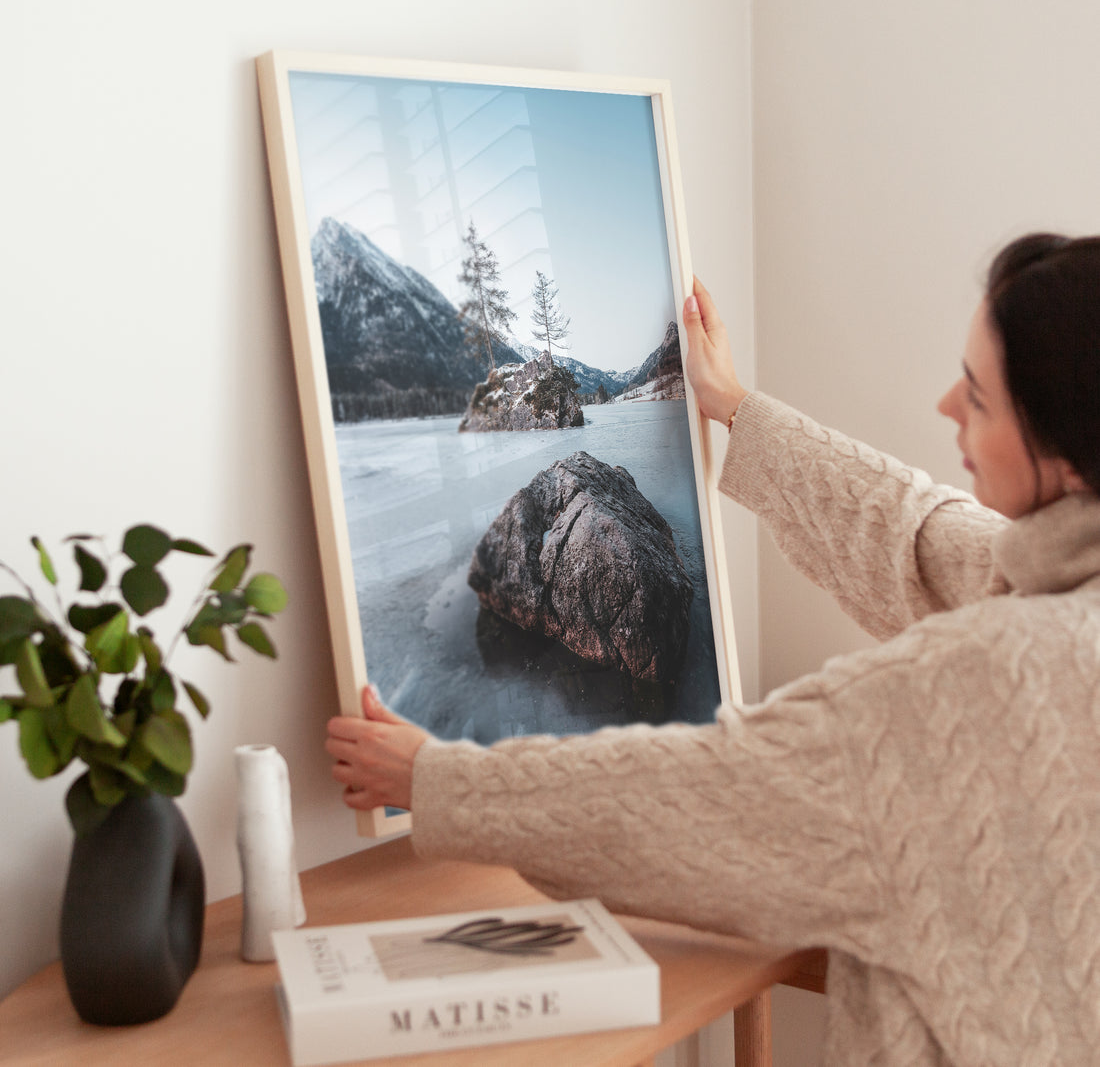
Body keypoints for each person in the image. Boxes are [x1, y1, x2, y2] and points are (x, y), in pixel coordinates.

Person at [325, 233, 1100, 1066]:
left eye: (979, 398)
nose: (947, 404)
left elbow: (703, 796)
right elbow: (915, 535)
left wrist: (435, 780)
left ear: (1064, 453)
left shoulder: (978, 687)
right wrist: (735, 407)